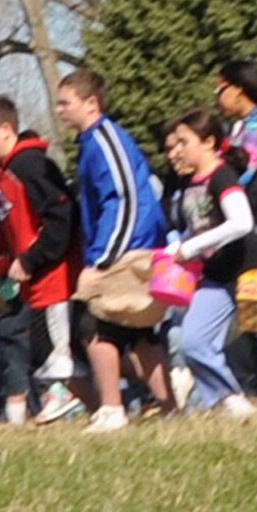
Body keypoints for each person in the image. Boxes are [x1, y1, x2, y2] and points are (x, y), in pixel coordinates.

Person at [55, 69, 175, 431]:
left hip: (125, 250)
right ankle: (171, 408)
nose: (59, 110)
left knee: (94, 327)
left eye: (66, 103)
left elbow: (125, 198)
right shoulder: (89, 143)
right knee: (138, 335)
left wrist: (105, 259)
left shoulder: (106, 139)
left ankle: (111, 408)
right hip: (119, 248)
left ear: (91, 103)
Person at [0, 96, 81, 425]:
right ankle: (97, 403)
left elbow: (62, 215)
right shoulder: (5, 175)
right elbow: (8, 225)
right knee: (46, 344)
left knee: (55, 344)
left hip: (53, 274)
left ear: (5, 129)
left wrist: (32, 260)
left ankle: (65, 395)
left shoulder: (29, 166)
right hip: (34, 278)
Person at [160, 108, 257, 419]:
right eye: (174, 144)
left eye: (183, 142)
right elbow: (200, 224)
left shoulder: (222, 176)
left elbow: (242, 222)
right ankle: (232, 400)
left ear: (208, 142)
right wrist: (175, 248)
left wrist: (190, 248)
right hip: (214, 274)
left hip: (243, 272)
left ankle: (238, 399)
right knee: (192, 342)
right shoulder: (191, 183)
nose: (177, 151)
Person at [215, 60, 257, 172]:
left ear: (238, 89)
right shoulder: (239, 127)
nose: (218, 99)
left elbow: (251, 170)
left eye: (219, 91)